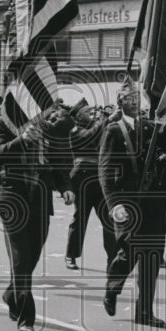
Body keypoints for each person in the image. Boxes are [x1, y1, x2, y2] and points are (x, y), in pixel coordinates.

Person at [0, 105, 75, 331]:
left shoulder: (47, 128)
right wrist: (21, 139)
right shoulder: (1, 123)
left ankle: (11, 294)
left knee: (32, 254)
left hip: (39, 196)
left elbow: (58, 162)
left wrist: (65, 187)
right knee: (20, 257)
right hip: (12, 196)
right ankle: (27, 317)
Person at [99, 82, 166, 328]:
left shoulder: (150, 127)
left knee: (152, 257)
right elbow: (105, 169)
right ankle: (112, 288)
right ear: (120, 102)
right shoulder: (113, 130)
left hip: (154, 201)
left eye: (136, 97)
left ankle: (144, 311)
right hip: (127, 200)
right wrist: (113, 204)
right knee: (129, 251)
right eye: (129, 98)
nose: (134, 101)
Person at [65, 103, 117, 271]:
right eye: (88, 112)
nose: (92, 114)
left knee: (108, 220)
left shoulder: (98, 128)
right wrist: (107, 119)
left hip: (99, 178)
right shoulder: (75, 131)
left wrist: (110, 121)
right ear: (79, 116)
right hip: (82, 178)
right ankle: (71, 255)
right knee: (81, 218)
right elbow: (90, 135)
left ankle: (112, 258)